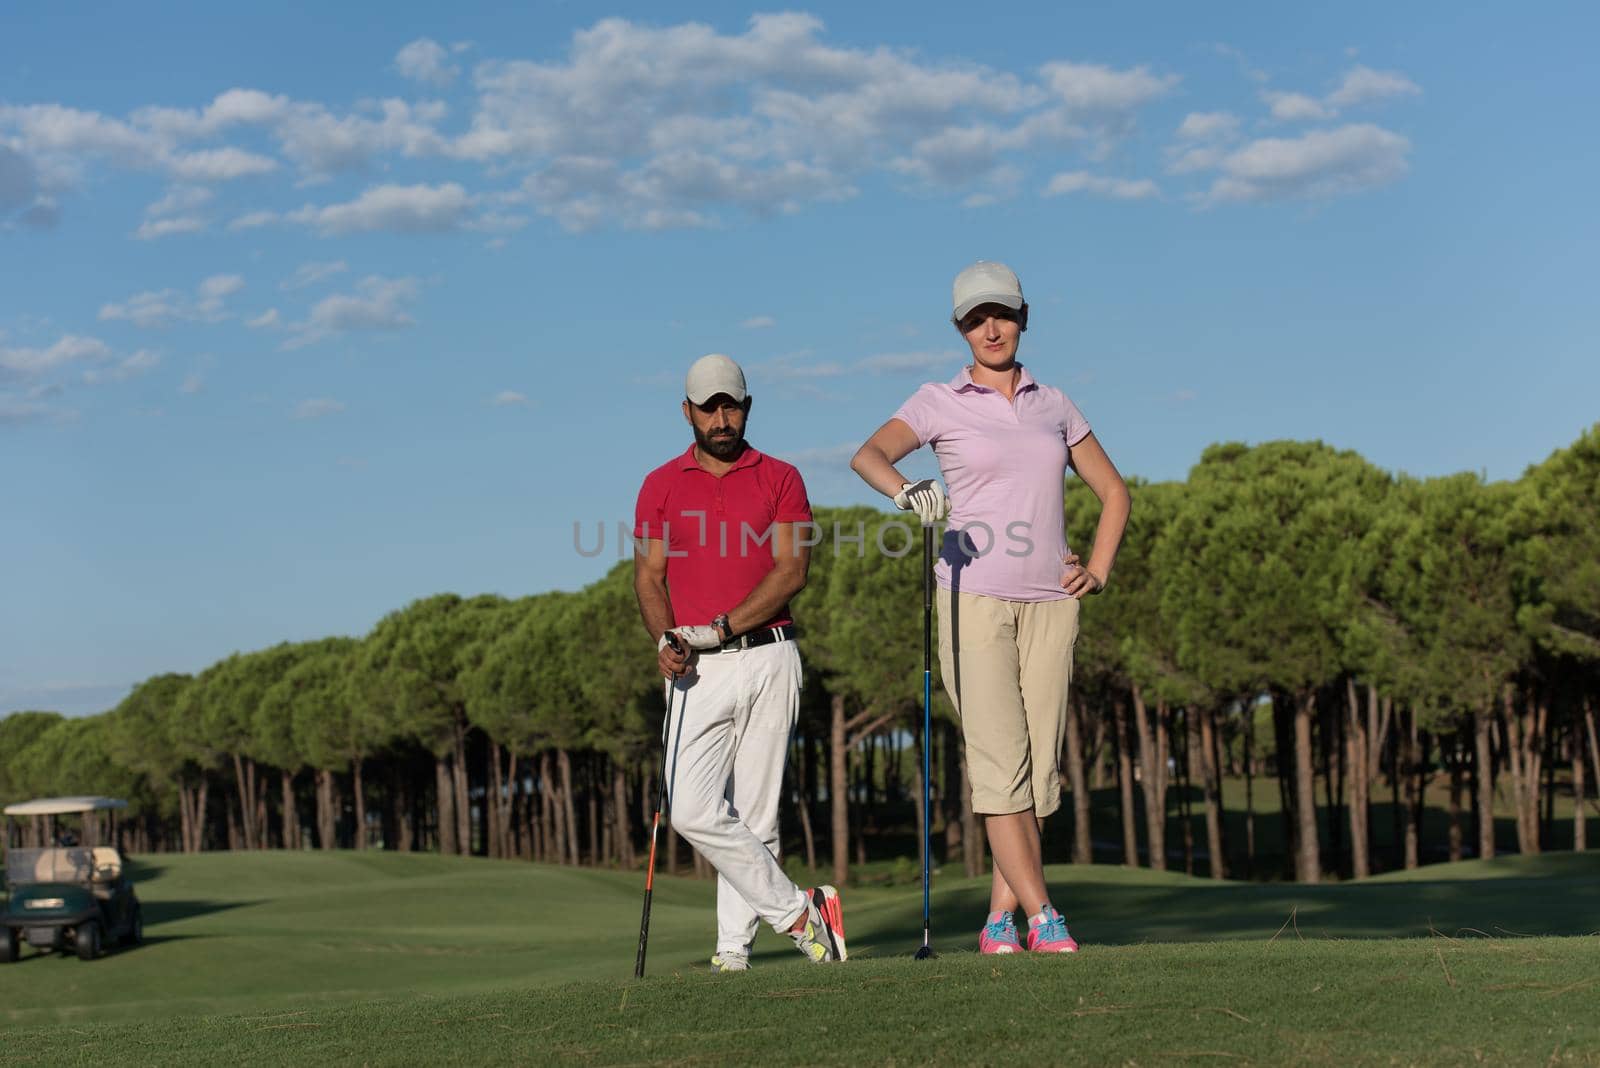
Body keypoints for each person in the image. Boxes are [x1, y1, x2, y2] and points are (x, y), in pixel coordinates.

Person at [850, 261, 1130, 955]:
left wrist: (1096, 569)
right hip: (971, 599)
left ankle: (999, 921)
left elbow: (1115, 493)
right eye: (976, 319)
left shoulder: (1055, 404)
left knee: (1036, 773)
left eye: (1001, 313)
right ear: (960, 329)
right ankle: (1044, 915)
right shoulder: (937, 401)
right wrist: (906, 490)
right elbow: (869, 455)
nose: (991, 328)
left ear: (1023, 316)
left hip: (1050, 606)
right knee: (999, 762)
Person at [633, 353, 847, 972]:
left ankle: (733, 952)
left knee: (757, 812)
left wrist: (723, 626)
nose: (722, 418)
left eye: (732, 405)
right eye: (709, 407)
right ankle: (802, 914)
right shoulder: (661, 484)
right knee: (694, 811)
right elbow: (649, 578)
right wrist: (664, 638)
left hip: (769, 656)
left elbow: (792, 571)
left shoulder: (780, 476)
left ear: (747, 406)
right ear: (687, 412)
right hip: (696, 667)